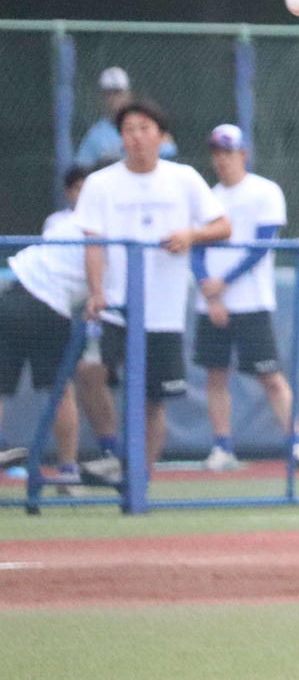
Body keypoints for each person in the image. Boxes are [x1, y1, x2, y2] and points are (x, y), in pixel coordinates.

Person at [74, 100, 231, 481]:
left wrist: (190, 234)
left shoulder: (185, 178)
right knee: (89, 372)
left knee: (152, 402)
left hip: (163, 313)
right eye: (129, 129)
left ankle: (138, 481)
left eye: (145, 128)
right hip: (115, 308)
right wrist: (96, 291)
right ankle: (111, 449)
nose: (137, 137)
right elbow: (92, 243)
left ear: (162, 136)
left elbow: (222, 226)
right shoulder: (100, 183)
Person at [188, 124, 299, 475]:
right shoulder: (208, 197)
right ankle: (222, 447)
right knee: (215, 376)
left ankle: (297, 445)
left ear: (242, 154)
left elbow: (261, 246)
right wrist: (208, 291)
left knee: (270, 377)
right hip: (212, 303)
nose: (222, 160)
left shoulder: (265, 191)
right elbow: (196, 249)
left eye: (228, 152)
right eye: (216, 153)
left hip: (252, 301)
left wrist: (223, 283)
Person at [0, 165, 96, 493]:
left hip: (19, 293)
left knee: (57, 390)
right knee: (59, 390)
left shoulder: (68, 222)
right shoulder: (78, 223)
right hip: (39, 301)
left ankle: (67, 470)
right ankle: (68, 471)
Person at [75, 67, 177, 168]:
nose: (113, 98)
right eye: (108, 94)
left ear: (128, 94)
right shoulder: (96, 134)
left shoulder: (146, 125)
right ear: (101, 98)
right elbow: (82, 168)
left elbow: (168, 155)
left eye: (118, 92)